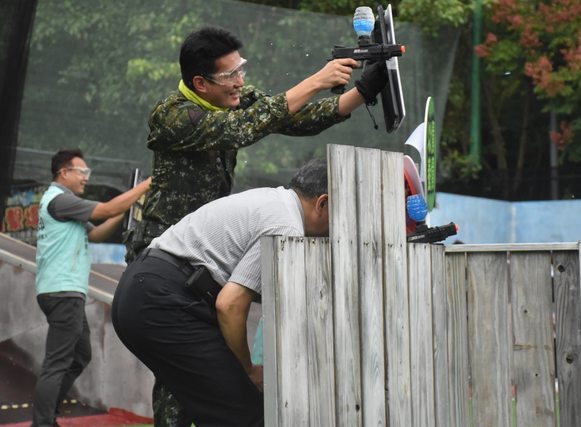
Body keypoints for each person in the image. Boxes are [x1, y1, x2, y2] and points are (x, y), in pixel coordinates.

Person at [122, 25, 387, 424]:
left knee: (207, 392)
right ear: (201, 83)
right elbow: (245, 127)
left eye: (241, 69)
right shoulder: (173, 116)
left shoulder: (232, 99)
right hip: (170, 265)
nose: (240, 82)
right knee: (185, 392)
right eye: (230, 75)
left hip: (205, 270)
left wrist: (363, 91)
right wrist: (318, 79)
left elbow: (294, 117)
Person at [112, 158, 330, 426]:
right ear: (322, 203)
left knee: (214, 410)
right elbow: (230, 305)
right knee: (245, 416)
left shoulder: (271, 199)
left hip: (144, 290)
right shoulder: (285, 225)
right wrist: (247, 369)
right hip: (164, 300)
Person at [32, 149, 151, 427]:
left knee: (80, 355)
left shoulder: (64, 204)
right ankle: (43, 422)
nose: (86, 177)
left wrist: (126, 209)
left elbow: (96, 232)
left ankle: (47, 415)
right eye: (82, 172)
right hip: (62, 291)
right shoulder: (60, 200)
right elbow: (107, 209)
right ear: (64, 172)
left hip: (64, 290)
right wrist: (145, 186)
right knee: (58, 362)